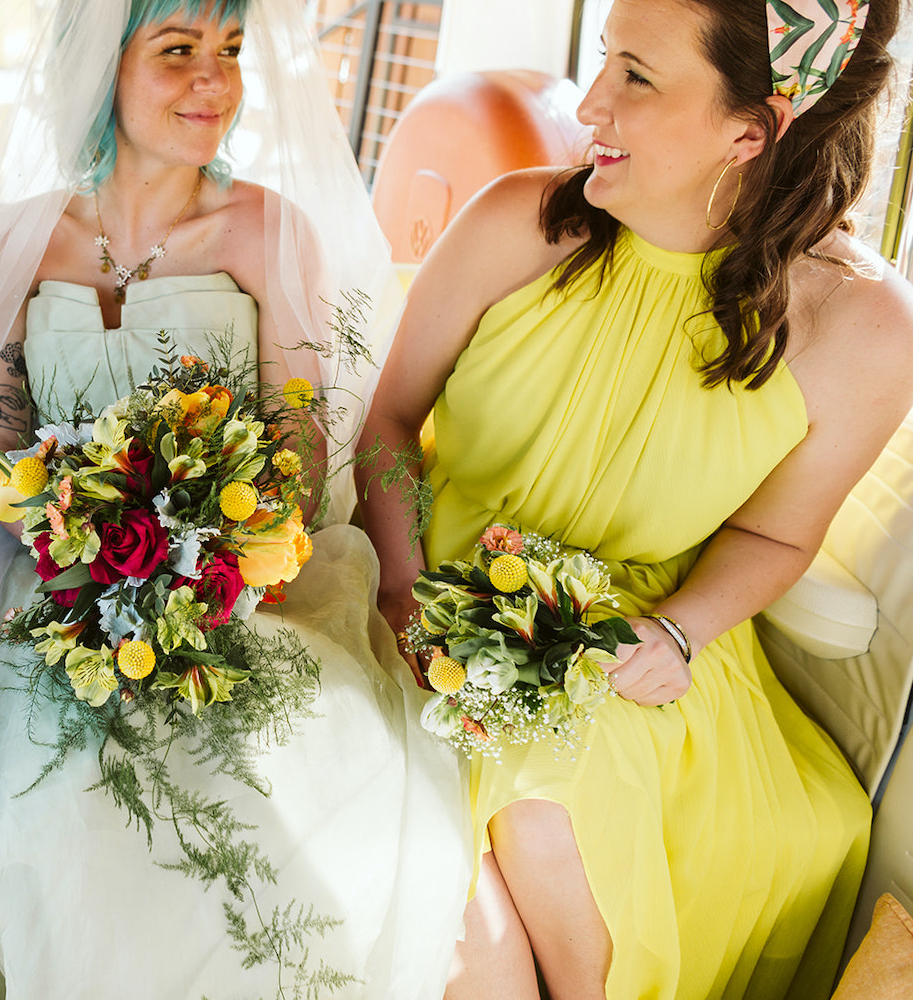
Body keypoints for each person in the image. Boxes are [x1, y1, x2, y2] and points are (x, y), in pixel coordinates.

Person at [356, 0, 911, 997]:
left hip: (638, 637)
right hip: (431, 592)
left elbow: (775, 533)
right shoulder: (516, 221)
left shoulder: (860, 325)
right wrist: (402, 588)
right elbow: (391, 423)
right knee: (498, 845)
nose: (592, 101)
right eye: (604, 58)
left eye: (638, 76)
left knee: (559, 780)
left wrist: (681, 633)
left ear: (754, 130)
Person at [0, 0, 470, 996]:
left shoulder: (265, 229)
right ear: (101, 71)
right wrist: (80, 551)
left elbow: (301, 441)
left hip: (249, 589)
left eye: (226, 53)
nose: (214, 82)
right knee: (55, 804)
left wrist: (212, 558)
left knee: (255, 791)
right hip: (60, 591)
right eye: (178, 53)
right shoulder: (17, 239)